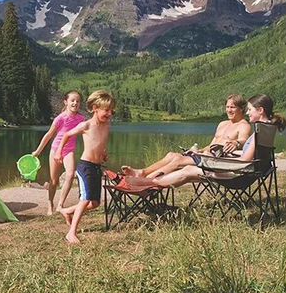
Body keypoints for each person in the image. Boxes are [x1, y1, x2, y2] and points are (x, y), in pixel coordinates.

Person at [128, 94, 285, 189]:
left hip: (238, 176)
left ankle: (145, 183)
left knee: (187, 170)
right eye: (227, 106)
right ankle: (146, 181)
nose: (248, 113)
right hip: (246, 172)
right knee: (185, 168)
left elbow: (244, 160)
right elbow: (249, 157)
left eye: (250, 110)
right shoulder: (267, 128)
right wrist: (205, 153)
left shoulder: (256, 130)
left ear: (260, 110)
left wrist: (213, 161)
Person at [122, 94, 251, 179]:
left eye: (232, 107)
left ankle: (146, 181)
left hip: (216, 162)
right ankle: (142, 172)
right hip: (205, 156)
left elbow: (244, 141)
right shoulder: (222, 124)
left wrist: (236, 143)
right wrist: (198, 150)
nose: (229, 110)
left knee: (178, 161)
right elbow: (211, 145)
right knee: (172, 155)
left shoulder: (243, 125)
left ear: (241, 109)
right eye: (227, 107)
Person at [55, 90, 115, 244]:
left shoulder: (107, 125)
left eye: (111, 110)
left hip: (96, 166)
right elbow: (67, 134)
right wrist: (59, 152)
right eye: (106, 110)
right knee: (85, 199)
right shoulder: (86, 125)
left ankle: (68, 211)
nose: (109, 114)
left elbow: (101, 142)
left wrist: (104, 153)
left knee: (95, 203)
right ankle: (71, 233)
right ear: (95, 108)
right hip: (85, 167)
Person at [32, 91, 86, 215]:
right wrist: (38, 151)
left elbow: (87, 135)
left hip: (69, 151)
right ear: (66, 102)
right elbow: (49, 135)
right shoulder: (60, 118)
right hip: (56, 149)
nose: (75, 103)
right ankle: (50, 204)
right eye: (72, 100)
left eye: (78, 101)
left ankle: (60, 205)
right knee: (54, 180)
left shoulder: (81, 119)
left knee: (70, 174)